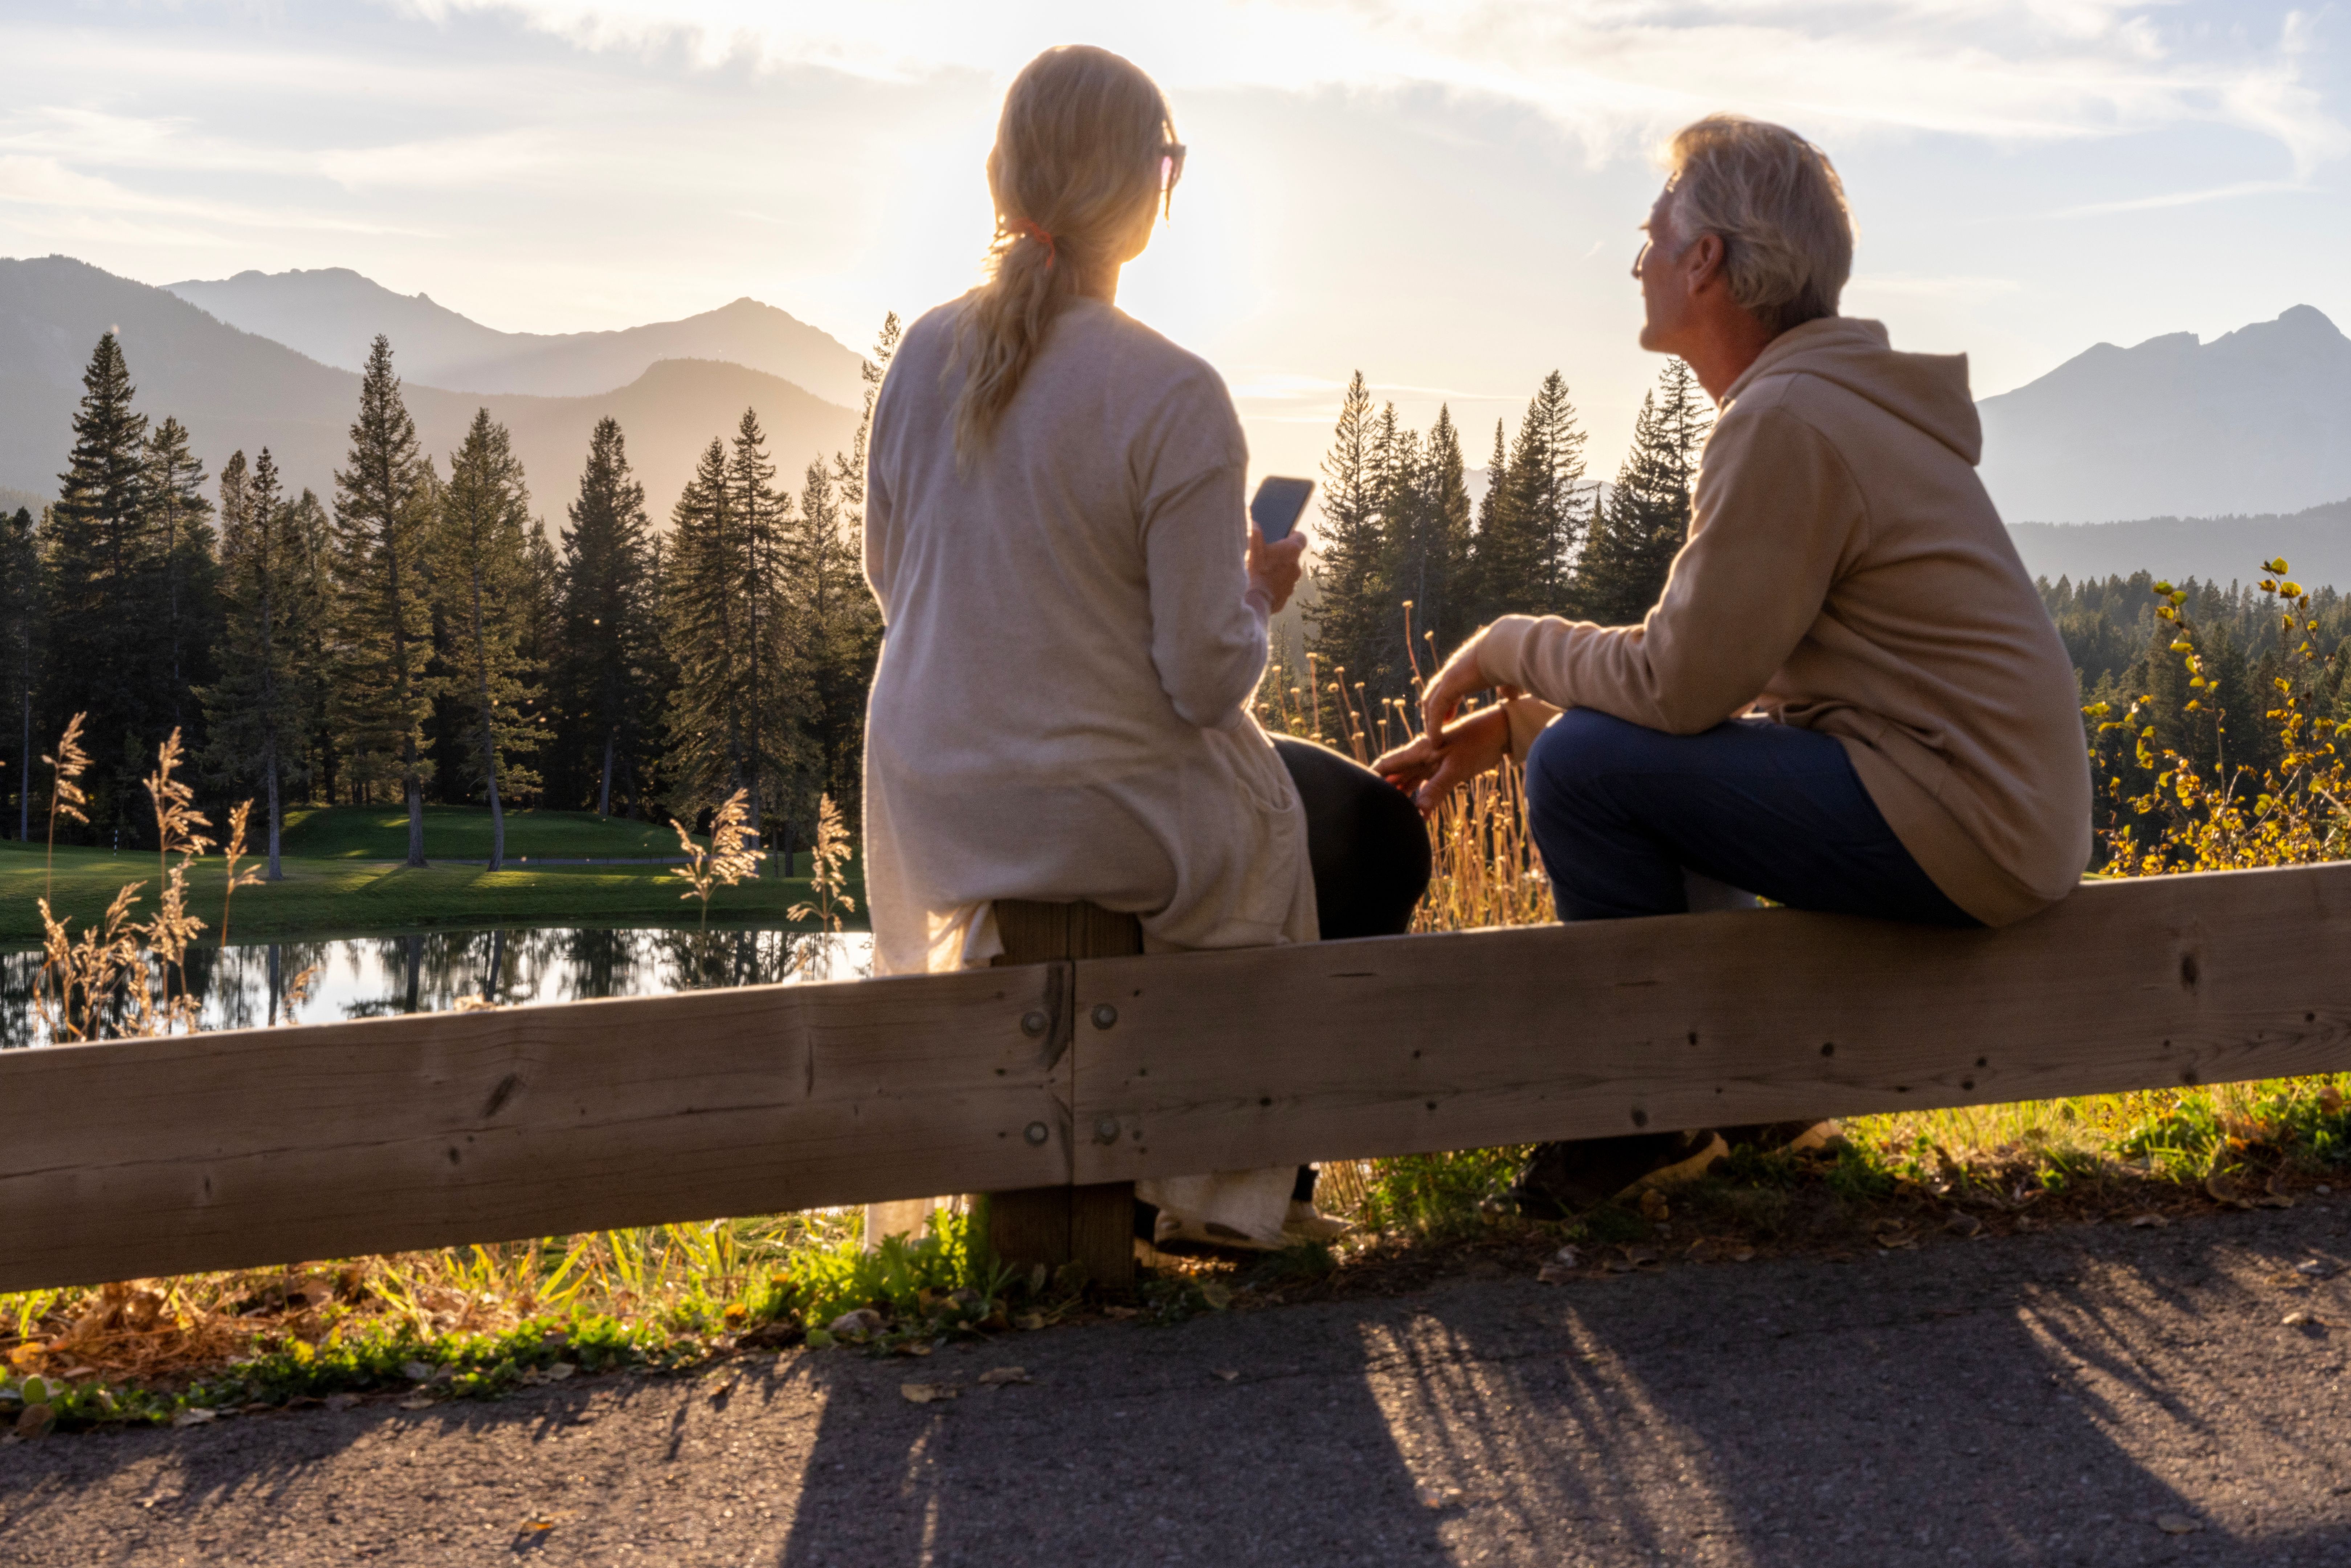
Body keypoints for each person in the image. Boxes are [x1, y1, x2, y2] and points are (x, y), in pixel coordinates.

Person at [1376, 114, 2092, 1210]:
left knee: (1584, 771)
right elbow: (1719, 679)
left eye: (1653, 235)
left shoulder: (1788, 420)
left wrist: (1507, 645)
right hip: (1991, 809)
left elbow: (1679, 688)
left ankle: (1647, 1119)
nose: (1638, 262)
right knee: (1585, 757)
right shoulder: (1825, 402)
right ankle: (1761, 1102)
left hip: (1966, 821)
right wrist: (1517, 726)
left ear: (1706, 260)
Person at [861, 45, 1429, 1247]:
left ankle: (1168, 1179)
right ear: (1149, 195)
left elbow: (890, 578)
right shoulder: (1172, 393)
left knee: (1286, 814)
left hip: (936, 800)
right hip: (1092, 804)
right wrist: (1256, 593)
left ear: (999, 177)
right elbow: (1206, 678)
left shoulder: (922, 358)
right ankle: (1240, 1190)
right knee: (1369, 831)